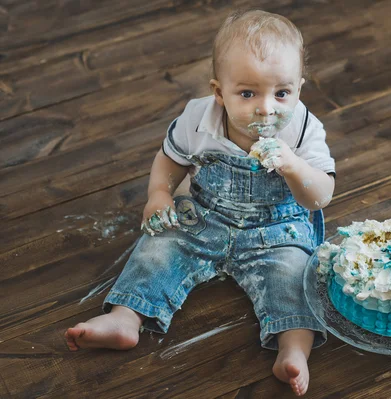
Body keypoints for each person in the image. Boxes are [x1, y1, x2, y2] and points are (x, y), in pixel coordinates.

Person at [64, 9, 336, 396]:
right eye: (247, 93)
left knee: (295, 276)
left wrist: (292, 165)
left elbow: (320, 195)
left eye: (282, 93)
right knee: (159, 247)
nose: (266, 108)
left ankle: (293, 348)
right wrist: (159, 194)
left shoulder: (304, 128)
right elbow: (170, 160)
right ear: (218, 91)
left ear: (299, 89)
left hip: (277, 228)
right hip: (207, 214)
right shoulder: (198, 118)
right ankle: (126, 317)